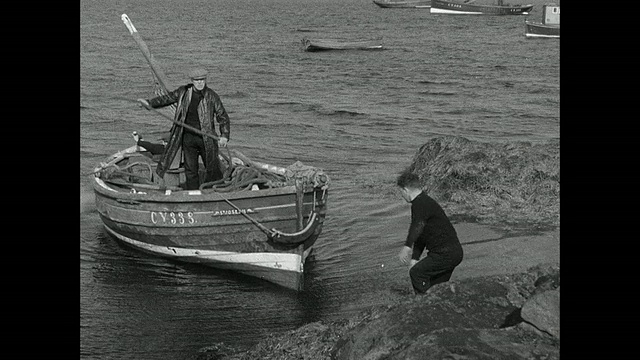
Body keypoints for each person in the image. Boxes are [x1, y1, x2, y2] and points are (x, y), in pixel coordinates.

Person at [137, 68, 230, 190]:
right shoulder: (183, 92)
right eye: (197, 80)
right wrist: (149, 103)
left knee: (212, 168)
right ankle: (193, 193)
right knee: (190, 170)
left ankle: (217, 191)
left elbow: (222, 116)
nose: (200, 83)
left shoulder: (212, 96)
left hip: (206, 139)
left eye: (202, 80)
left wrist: (224, 135)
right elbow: (166, 99)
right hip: (188, 139)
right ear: (192, 81)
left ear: (205, 80)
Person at [396, 170, 463, 294]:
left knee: (416, 274)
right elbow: (421, 235)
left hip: (445, 255)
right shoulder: (424, 202)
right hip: (454, 253)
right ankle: (436, 304)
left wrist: (406, 247)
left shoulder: (420, 204)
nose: (401, 196)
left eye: (401, 192)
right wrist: (414, 258)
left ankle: (422, 305)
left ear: (405, 190)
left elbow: (417, 226)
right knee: (435, 288)